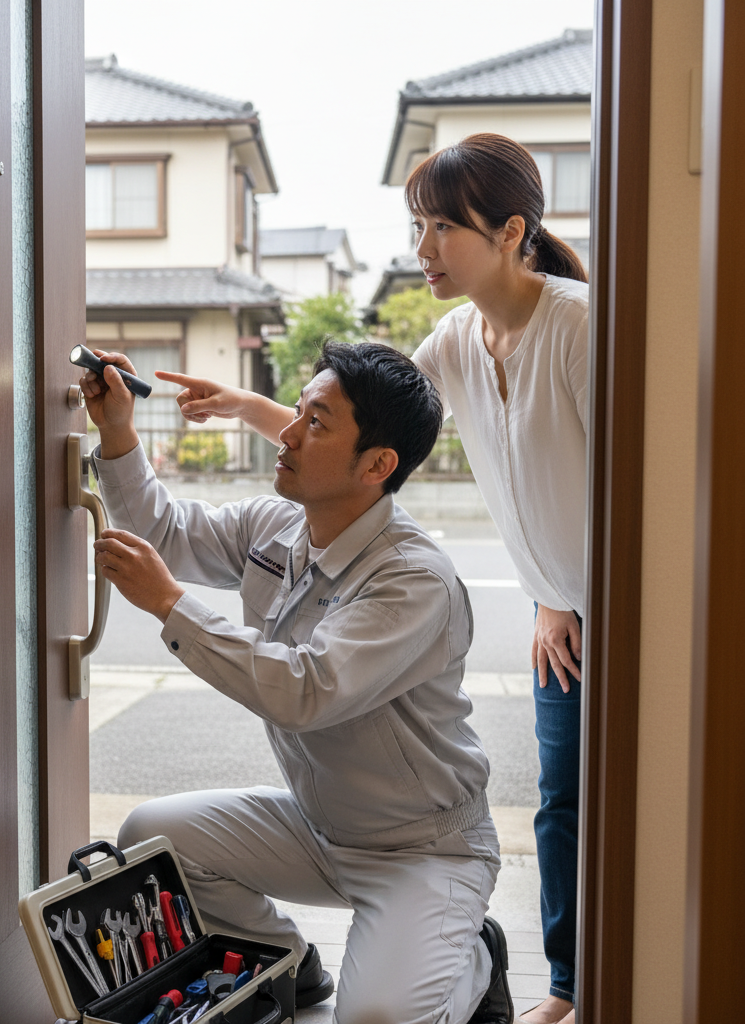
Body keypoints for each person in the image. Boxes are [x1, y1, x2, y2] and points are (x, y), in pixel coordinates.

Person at [163, 134, 587, 1024]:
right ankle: (560, 981)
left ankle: (564, 978)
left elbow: (637, 491)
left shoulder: (582, 326)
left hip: (632, 610)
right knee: (563, 805)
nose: (422, 249)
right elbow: (366, 441)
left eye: (442, 228)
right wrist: (246, 407)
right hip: (567, 612)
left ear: (512, 231)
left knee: (615, 800)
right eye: (417, 226)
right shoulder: (459, 336)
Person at [80, 341, 514, 1024]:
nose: (284, 432)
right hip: (319, 827)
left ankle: (475, 958)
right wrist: (117, 430)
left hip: (422, 850)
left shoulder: (412, 580)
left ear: (377, 465)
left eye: (315, 421)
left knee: (376, 1019)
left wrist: (170, 605)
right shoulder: (277, 525)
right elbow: (163, 531)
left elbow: (307, 691)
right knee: (151, 837)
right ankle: (286, 959)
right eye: (299, 412)